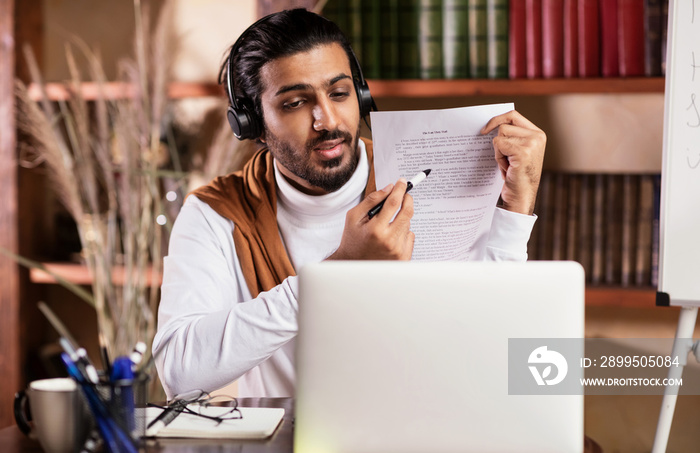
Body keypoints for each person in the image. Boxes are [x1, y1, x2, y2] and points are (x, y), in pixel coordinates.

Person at [153, 9, 546, 400]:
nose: (327, 119)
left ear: (359, 94)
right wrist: (339, 270)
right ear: (252, 124)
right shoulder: (215, 212)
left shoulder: (419, 178)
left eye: (339, 93)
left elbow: (489, 334)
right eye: (294, 103)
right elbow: (179, 373)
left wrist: (516, 209)